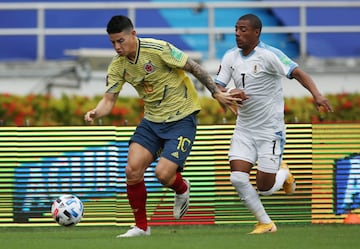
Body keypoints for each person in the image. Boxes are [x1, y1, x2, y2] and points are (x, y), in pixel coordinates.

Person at [84, 15, 237, 238]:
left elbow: (194, 67)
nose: (117, 47)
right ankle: (142, 227)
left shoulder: (158, 49)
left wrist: (216, 93)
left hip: (182, 118)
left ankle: (182, 188)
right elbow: (108, 100)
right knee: (132, 170)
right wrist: (96, 112)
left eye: (121, 41)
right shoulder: (118, 66)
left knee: (163, 175)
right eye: (113, 43)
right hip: (152, 122)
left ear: (133, 34)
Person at [214, 14, 334, 234]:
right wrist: (230, 93)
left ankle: (284, 174)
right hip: (244, 128)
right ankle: (266, 223)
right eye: (236, 30)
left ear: (256, 32)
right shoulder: (230, 57)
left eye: (243, 30)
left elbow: (297, 72)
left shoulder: (270, 55)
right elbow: (217, 88)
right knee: (237, 178)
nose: (237, 34)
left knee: (265, 188)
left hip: (270, 130)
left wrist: (317, 95)